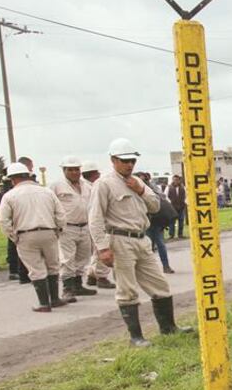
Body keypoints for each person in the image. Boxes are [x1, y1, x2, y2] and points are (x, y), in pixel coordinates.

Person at [88, 138, 189, 347]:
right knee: (127, 289)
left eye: (132, 161)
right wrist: (102, 248)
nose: (129, 165)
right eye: (125, 161)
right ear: (113, 160)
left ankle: (168, 328)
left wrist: (140, 190)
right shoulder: (104, 184)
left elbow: (154, 206)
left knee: (159, 284)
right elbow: (95, 218)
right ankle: (136, 337)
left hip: (142, 238)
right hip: (119, 239)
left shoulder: (137, 181)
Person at [0, 162, 66, 312]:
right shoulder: (46, 192)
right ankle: (54, 298)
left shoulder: (10, 195)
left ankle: (44, 303)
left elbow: (3, 220)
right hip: (49, 232)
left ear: (12, 179)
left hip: (26, 234)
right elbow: (60, 214)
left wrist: (13, 236)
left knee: (36, 269)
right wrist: (58, 230)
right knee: (53, 265)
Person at [51, 156, 98, 303]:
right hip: (67, 227)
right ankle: (68, 289)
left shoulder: (87, 186)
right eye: (70, 169)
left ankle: (78, 285)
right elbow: (50, 205)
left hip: (84, 226)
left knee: (83, 257)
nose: (74, 172)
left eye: (76, 169)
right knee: (67, 258)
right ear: (64, 170)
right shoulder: (56, 186)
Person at [81, 160, 116, 289]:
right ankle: (101, 276)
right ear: (93, 174)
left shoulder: (85, 186)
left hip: (87, 224)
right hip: (95, 224)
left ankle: (92, 274)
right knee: (103, 249)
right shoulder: (95, 187)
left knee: (96, 252)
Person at [138, 172, 176, 274]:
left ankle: (162, 267)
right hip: (153, 220)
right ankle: (159, 267)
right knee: (153, 245)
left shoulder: (147, 189)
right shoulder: (153, 188)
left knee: (155, 245)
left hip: (155, 220)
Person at [166, 175, 186, 239]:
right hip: (172, 207)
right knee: (172, 222)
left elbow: (186, 195)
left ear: (179, 180)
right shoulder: (169, 187)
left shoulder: (183, 187)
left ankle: (180, 234)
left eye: (177, 180)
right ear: (172, 180)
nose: (176, 181)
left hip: (181, 207)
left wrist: (184, 202)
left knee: (181, 221)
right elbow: (165, 196)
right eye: (174, 180)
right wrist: (169, 203)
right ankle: (171, 235)